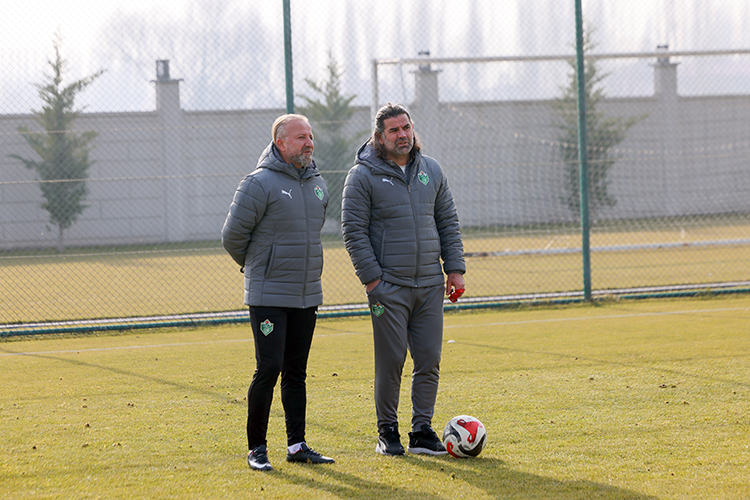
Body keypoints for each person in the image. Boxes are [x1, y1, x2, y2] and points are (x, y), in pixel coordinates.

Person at [341, 103, 466, 456]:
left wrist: (454, 269)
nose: (402, 135)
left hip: (429, 285)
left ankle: (422, 431)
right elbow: (353, 231)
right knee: (391, 361)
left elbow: (448, 221)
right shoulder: (361, 176)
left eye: (406, 127)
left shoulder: (432, 170)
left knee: (428, 360)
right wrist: (373, 282)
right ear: (379, 137)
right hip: (388, 289)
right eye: (394, 130)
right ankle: (388, 432)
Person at [222, 114, 335, 471]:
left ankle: (297, 446)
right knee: (268, 368)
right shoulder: (258, 183)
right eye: (301, 137)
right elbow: (232, 237)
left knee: (296, 372)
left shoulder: (318, 184)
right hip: (268, 294)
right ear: (280, 143)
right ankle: (256, 448)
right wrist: (259, 267)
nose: (309, 142)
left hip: (307, 294)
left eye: (310, 136)